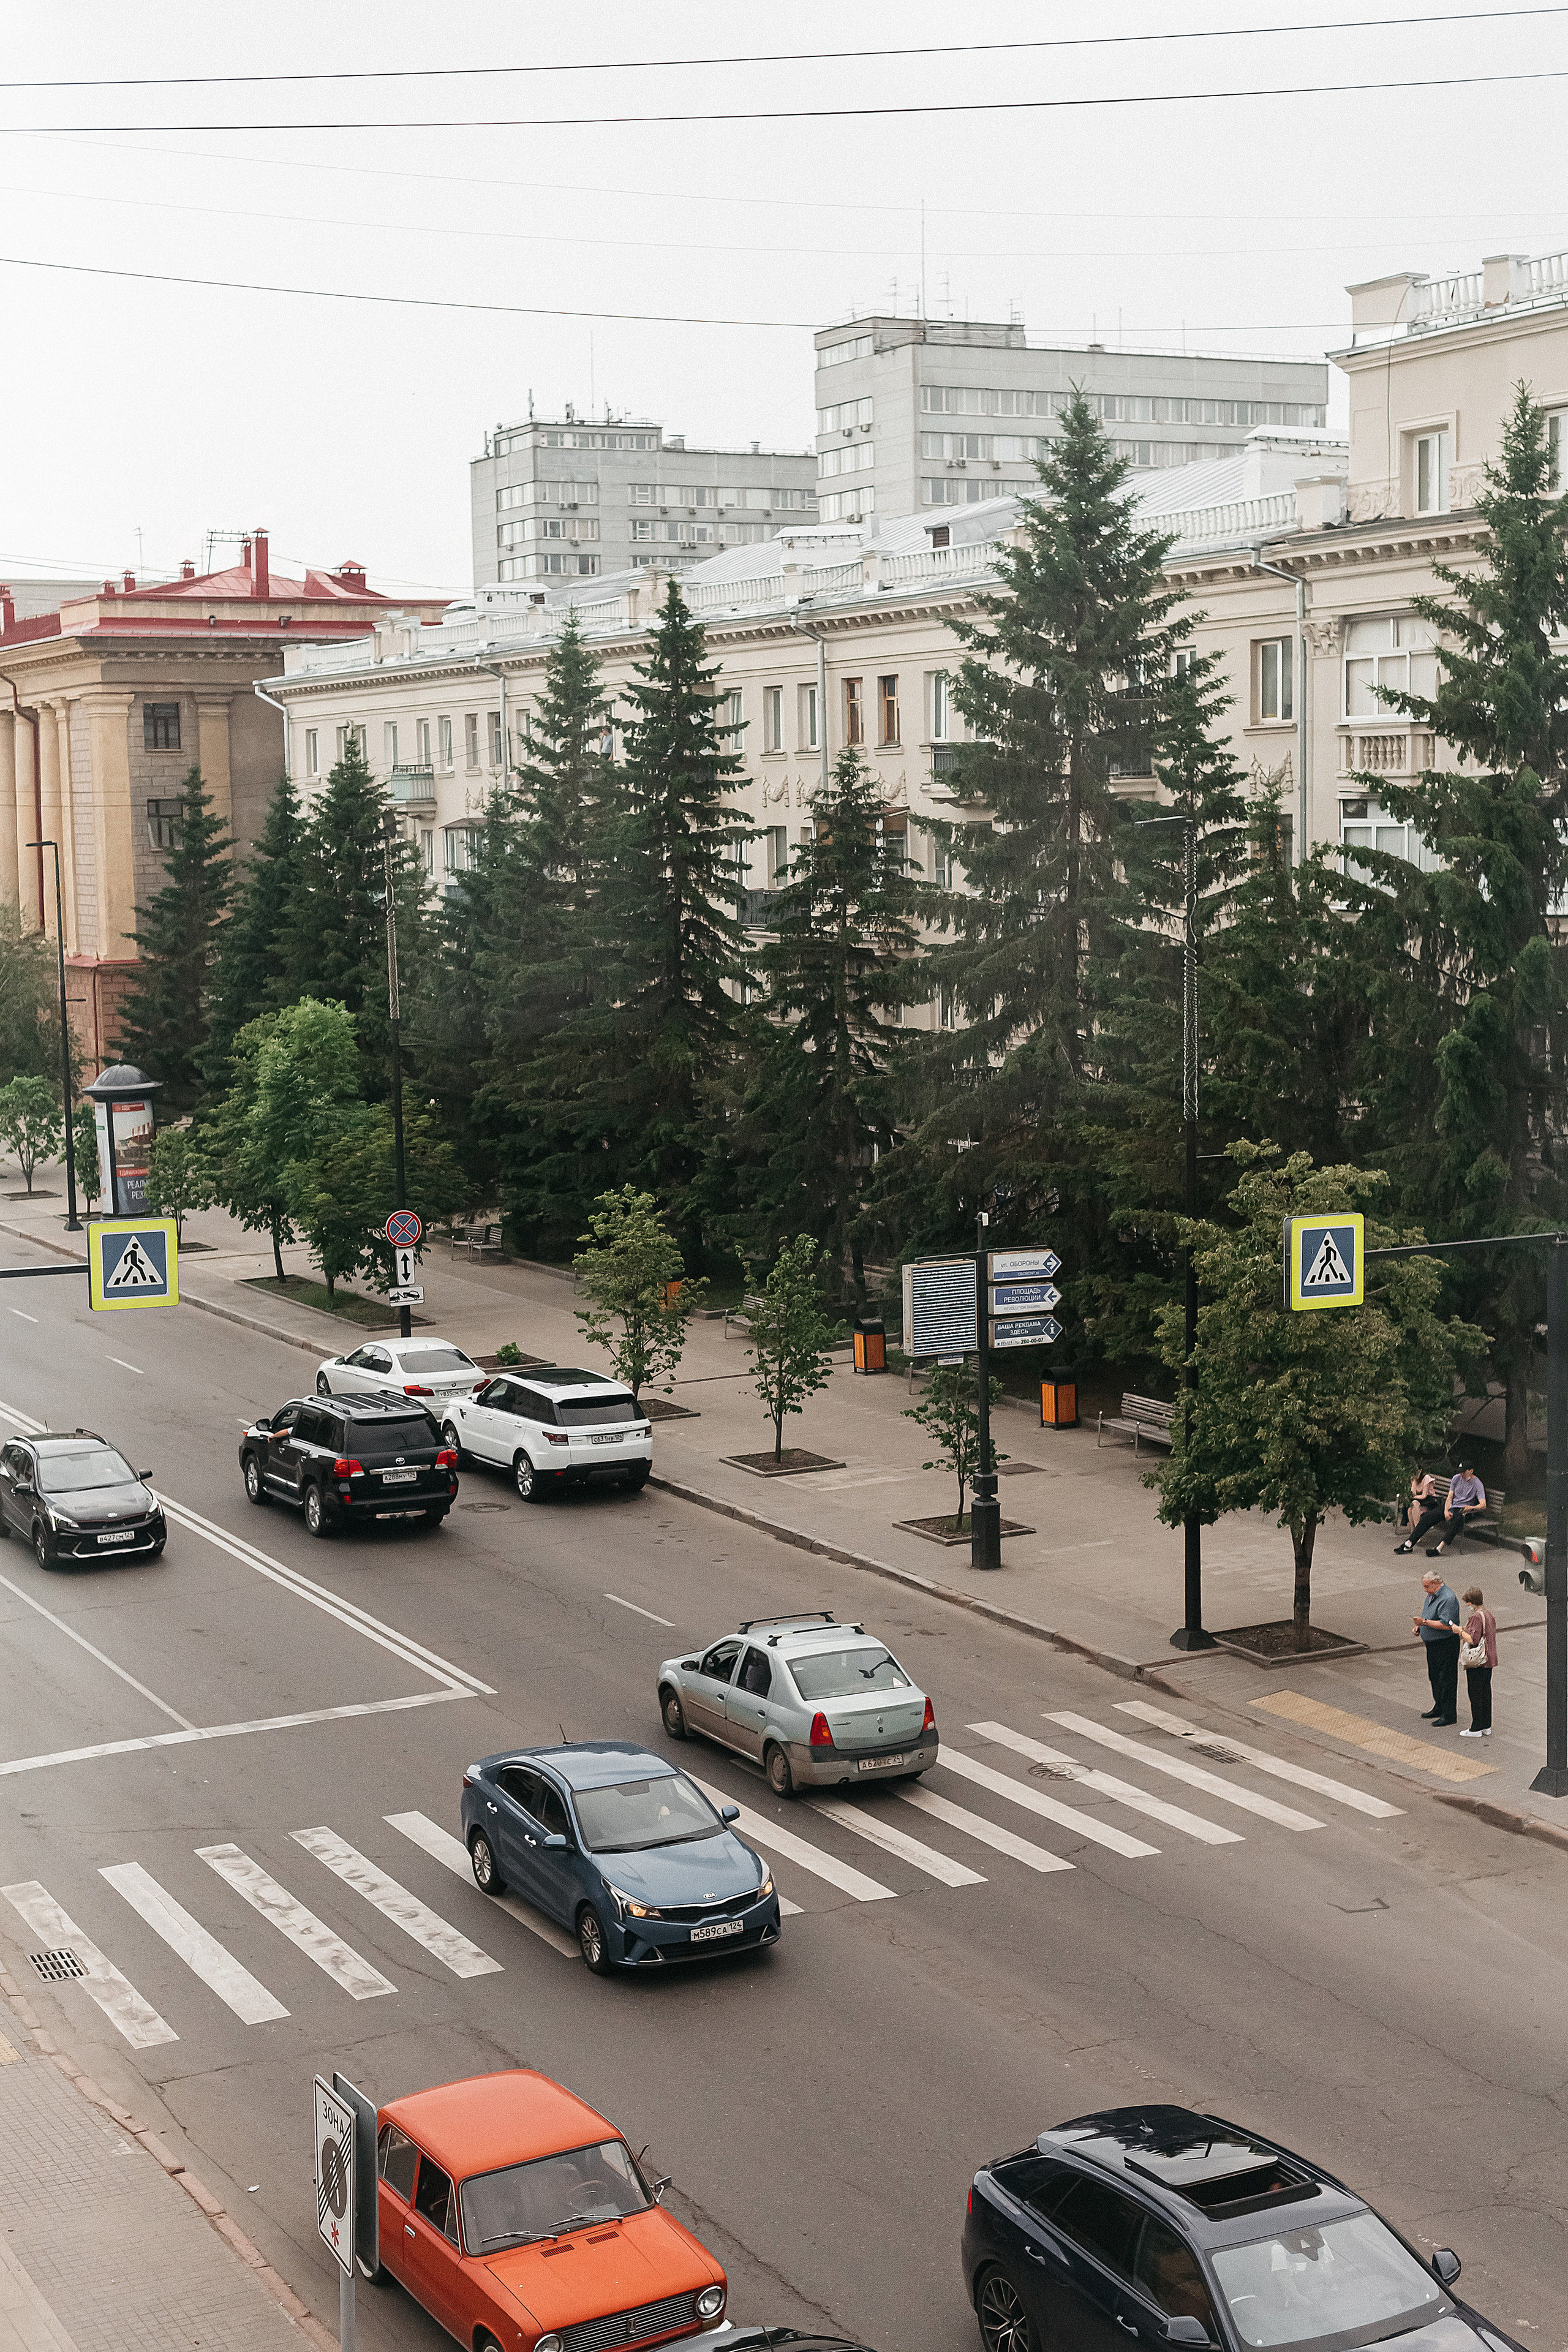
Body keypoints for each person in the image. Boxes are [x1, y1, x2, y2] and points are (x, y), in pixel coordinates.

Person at [1412, 1569, 1461, 1726]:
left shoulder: (1448, 1599)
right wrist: (1421, 1627)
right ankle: (1439, 1707)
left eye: (1427, 1586)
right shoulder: (1432, 1595)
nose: (1425, 1590)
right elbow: (1429, 1616)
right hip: (1433, 1644)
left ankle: (1449, 1715)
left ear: (1436, 1583)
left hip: (1445, 1644)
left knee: (1446, 1679)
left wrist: (1425, 1623)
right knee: (1434, 1677)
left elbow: (1447, 1625)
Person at [1458, 1584, 1497, 1738]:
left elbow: (1472, 1639)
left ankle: (1476, 1728)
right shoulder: (1488, 1614)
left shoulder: (1476, 1617)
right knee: (1486, 1692)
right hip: (1489, 1659)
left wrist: (1460, 1631)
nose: (1466, 1605)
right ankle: (1487, 1725)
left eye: (1467, 1602)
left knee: (1475, 1694)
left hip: (1478, 1660)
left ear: (1471, 1602)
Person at [1431, 1461, 1486, 1555]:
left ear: (1471, 1471)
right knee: (1433, 1514)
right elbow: (1450, 1496)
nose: (1462, 1474)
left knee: (1457, 1519)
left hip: (1467, 1510)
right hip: (1454, 1507)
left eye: (1464, 1472)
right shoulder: (1457, 1478)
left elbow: (1483, 1505)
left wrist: (1471, 1508)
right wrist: (1446, 1510)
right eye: (1461, 1472)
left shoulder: (1478, 1484)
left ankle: (1440, 1546)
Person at [1396, 1469, 1444, 1555]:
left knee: (1414, 1504)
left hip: (1430, 1501)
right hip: (1420, 1501)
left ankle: (1417, 1533)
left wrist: (1413, 1497)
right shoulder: (1415, 1479)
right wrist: (1413, 1482)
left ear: (1420, 1471)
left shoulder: (1426, 1478)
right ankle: (1414, 1532)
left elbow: (1424, 1496)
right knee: (1410, 1508)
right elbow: (1413, 1493)